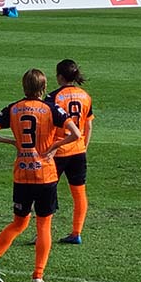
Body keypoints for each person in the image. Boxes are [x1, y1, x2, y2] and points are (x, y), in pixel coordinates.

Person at [0, 69, 81, 282]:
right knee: (44, 224)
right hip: (45, 175)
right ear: (43, 88)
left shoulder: (12, 109)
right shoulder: (51, 109)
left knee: (19, 222)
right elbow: (75, 134)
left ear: (24, 87)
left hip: (22, 174)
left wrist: (11, 142)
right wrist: (54, 146)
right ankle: (38, 275)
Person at [45, 60, 93, 245]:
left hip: (57, 151)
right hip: (78, 150)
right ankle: (76, 232)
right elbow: (88, 124)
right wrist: (84, 147)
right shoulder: (85, 96)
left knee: (47, 192)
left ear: (60, 77)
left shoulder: (53, 97)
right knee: (79, 192)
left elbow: (47, 125)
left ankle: (43, 232)